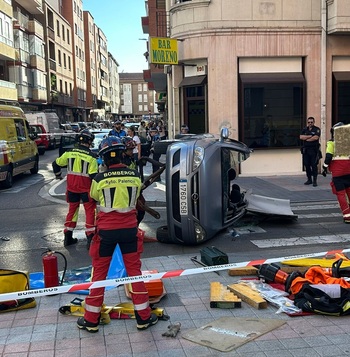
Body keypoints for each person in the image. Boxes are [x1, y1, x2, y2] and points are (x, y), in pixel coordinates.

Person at [77, 136, 158, 333]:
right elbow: (137, 194)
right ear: (122, 153)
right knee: (134, 273)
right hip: (130, 230)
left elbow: (94, 197)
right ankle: (143, 317)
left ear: (104, 159)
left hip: (106, 233)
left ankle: (91, 320)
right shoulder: (134, 176)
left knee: (100, 274)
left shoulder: (99, 179)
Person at [52, 129, 98, 247]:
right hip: (86, 189)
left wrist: (58, 176)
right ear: (90, 142)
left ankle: (68, 237)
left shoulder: (69, 153)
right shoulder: (91, 157)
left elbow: (55, 164)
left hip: (72, 189)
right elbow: (93, 176)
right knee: (90, 212)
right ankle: (90, 239)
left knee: (72, 211)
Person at [322, 122, 350, 224]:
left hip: (338, 172)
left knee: (341, 194)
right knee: (349, 192)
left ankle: (347, 216)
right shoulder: (348, 143)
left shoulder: (332, 143)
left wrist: (324, 167)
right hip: (349, 171)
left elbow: (329, 156)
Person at [300, 116, 321, 187]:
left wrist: (306, 138)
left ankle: (314, 180)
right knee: (307, 165)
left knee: (314, 165)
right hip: (306, 150)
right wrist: (310, 136)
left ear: (314, 122)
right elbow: (301, 137)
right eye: (309, 122)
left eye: (311, 122)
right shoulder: (304, 129)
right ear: (307, 122)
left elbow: (316, 138)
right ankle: (309, 179)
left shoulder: (317, 129)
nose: (310, 123)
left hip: (313, 150)